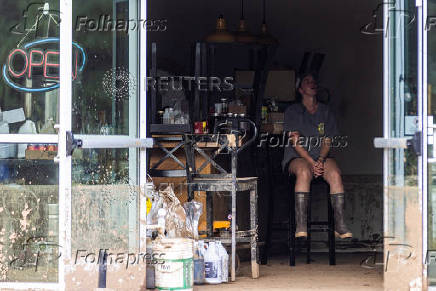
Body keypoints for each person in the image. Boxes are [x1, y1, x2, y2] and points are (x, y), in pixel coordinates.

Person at [282, 73, 352, 239]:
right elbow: (295, 142)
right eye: (307, 81)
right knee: (304, 172)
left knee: (335, 174)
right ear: (300, 89)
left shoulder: (325, 111)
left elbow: (327, 140)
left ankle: (340, 225)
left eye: (314, 81)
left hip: (321, 158)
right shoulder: (293, 111)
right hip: (298, 157)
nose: (312, 83)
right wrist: (311, 162)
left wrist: (319, 160)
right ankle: (301, 224)